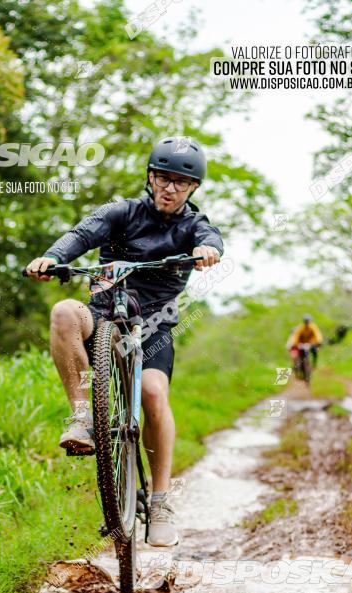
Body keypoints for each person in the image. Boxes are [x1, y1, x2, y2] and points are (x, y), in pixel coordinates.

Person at [25, 136, 223, 546]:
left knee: (152, 392)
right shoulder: (122, 212)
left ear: (193, 189)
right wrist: (51, 257)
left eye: (181, 183)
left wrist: (207, 250)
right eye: (164, 178)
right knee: (64, 311)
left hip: (152, 325)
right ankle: (82, 417)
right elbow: (79, 235)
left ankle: (162, 499)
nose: (171, 188)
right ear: (150, 178)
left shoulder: (193, 225)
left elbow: (211, 238)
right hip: (104, 313)